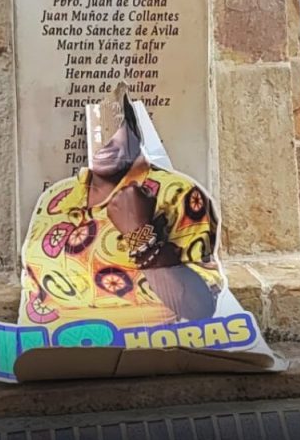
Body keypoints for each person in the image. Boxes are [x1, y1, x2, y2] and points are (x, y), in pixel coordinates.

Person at [20, 95, 222, 330]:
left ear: (134, 131)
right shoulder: (56, 198)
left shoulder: (177, 193)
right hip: (56, 346)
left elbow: (200, 308)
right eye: (96, 127)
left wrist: (139, 233)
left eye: (114, 128)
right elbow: (34, 289)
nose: (103, 142)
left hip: (148, 345)